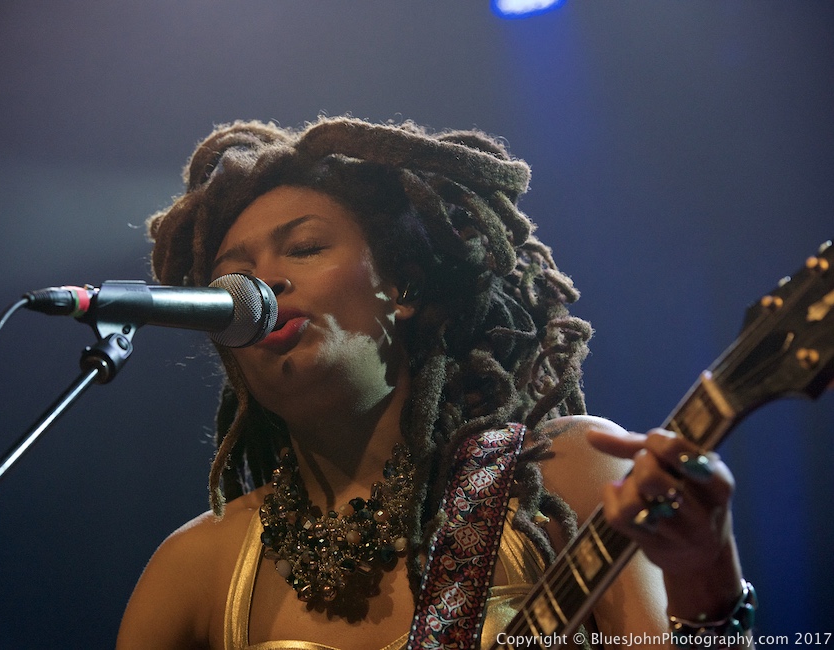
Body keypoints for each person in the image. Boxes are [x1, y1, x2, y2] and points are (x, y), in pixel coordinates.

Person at [115, 116, 753, 650]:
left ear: (404, 289)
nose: (265, 285)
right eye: (234, 277)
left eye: (305, 248)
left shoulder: (569, 476)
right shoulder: (191, 574)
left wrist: (707, 581)